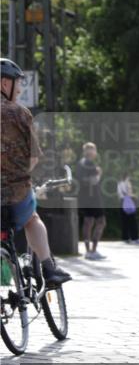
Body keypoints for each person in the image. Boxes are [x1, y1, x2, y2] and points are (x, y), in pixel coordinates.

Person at [0, 58, 71, 284]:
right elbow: (33, 157)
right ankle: (49, 269)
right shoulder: (20, 114)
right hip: (15, 196)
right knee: (32, 218)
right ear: (4, 83)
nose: (20, 89)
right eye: (17, 83)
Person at [76, 142, 108, 260]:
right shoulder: (89, 164)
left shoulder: (81, 163)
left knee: (88, 222)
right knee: (101, 222)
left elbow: (81, 179)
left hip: (84, 197)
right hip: (93, 197)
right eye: (94, 150)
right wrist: (99, 174)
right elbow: (92, 181)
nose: (95, 152)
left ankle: (88, 251)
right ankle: (93, 250)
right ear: (91, 152)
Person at [117, 175, 139, 243]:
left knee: (125, 221)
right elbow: (129, 193)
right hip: (128, 202)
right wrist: (134, 196)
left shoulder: (119, 183)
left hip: (122, 202)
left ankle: (125, 238)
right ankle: (135, 237)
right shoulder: (127, 183)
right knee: (132, 221)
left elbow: (119, 194)